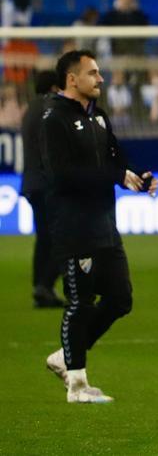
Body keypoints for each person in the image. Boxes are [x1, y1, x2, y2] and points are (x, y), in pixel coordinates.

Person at [41, 51, 158, 404]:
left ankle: (65, 356)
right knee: (80, 302)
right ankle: (77, 385)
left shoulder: (99, 116)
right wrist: (114, 175)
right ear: (72, 79)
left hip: (104, 225)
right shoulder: (54, 120)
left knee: (120, 298)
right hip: (73, 227)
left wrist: (136, 176)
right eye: (93, 73)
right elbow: (63, 175)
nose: (101, 78)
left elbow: (115, 158)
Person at [21, 70, 62, 308]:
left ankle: (40, 288)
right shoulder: (51, 107)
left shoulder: (30, 109)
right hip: (49, 184)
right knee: (64, 237)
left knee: (44, 238)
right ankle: (45, 285)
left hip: (32, 182)